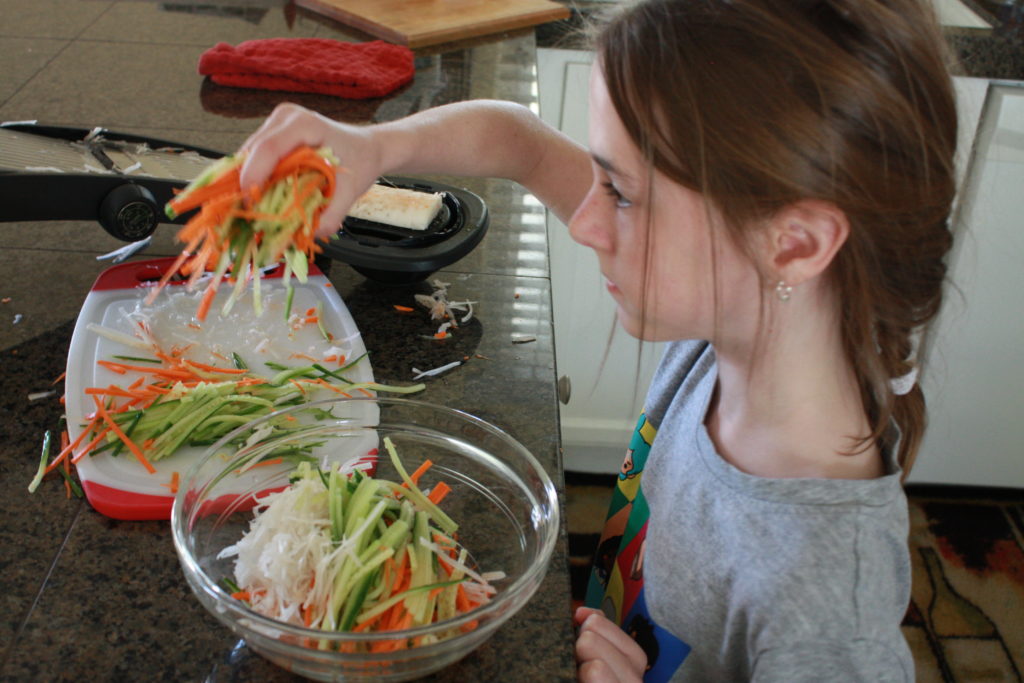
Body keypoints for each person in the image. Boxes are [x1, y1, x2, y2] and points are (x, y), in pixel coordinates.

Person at [238, 0, 959, 679]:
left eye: (622, 193)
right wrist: (373, 144)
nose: (584, 222)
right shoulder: (736, 327)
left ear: (795, 243)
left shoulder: (828, 606)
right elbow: (518, 141)